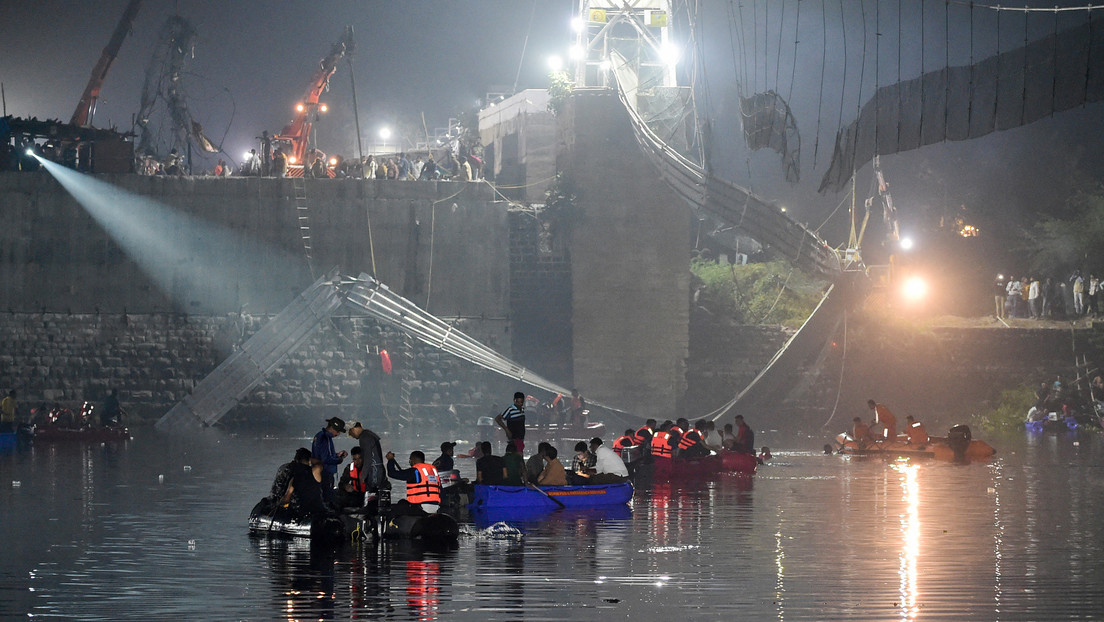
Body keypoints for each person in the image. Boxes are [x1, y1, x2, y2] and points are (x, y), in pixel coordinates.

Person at [386, 450, 441, 514]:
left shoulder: (415, 471)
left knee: (393, 509)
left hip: (420, 506)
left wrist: (390, 460)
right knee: (403, 502)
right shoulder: (433, 471)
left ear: (413, 459)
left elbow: (392, 473)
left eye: (410, 459)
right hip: (436, 506)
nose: (410, 462)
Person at [282, 448, 328, 518]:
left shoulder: (294, 477)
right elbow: (319, 463)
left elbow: (287, 497)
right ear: (309, 460)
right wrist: (310, 460)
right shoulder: (315, 471)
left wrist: (280, 504)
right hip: (317, 509)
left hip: (302, 511)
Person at [311, 417, 348, 503]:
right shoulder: (326, 438)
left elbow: (323, 455)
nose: (338, 434)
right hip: (325, 472)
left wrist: (336, 455)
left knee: (321, 494)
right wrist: (340, 459)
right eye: (337, 431)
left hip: (317, 471)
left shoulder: (319, 435)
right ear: (332, 428)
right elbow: (327, 459)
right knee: (327, 496)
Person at [347, 422, 386, 492]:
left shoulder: (364, 438)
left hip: (374, 470)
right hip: (378, 469)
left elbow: (368, 458)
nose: (351, 436)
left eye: (350, 433)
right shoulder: (369, 434)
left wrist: (363, 476)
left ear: (354, 429)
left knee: (372, 492)